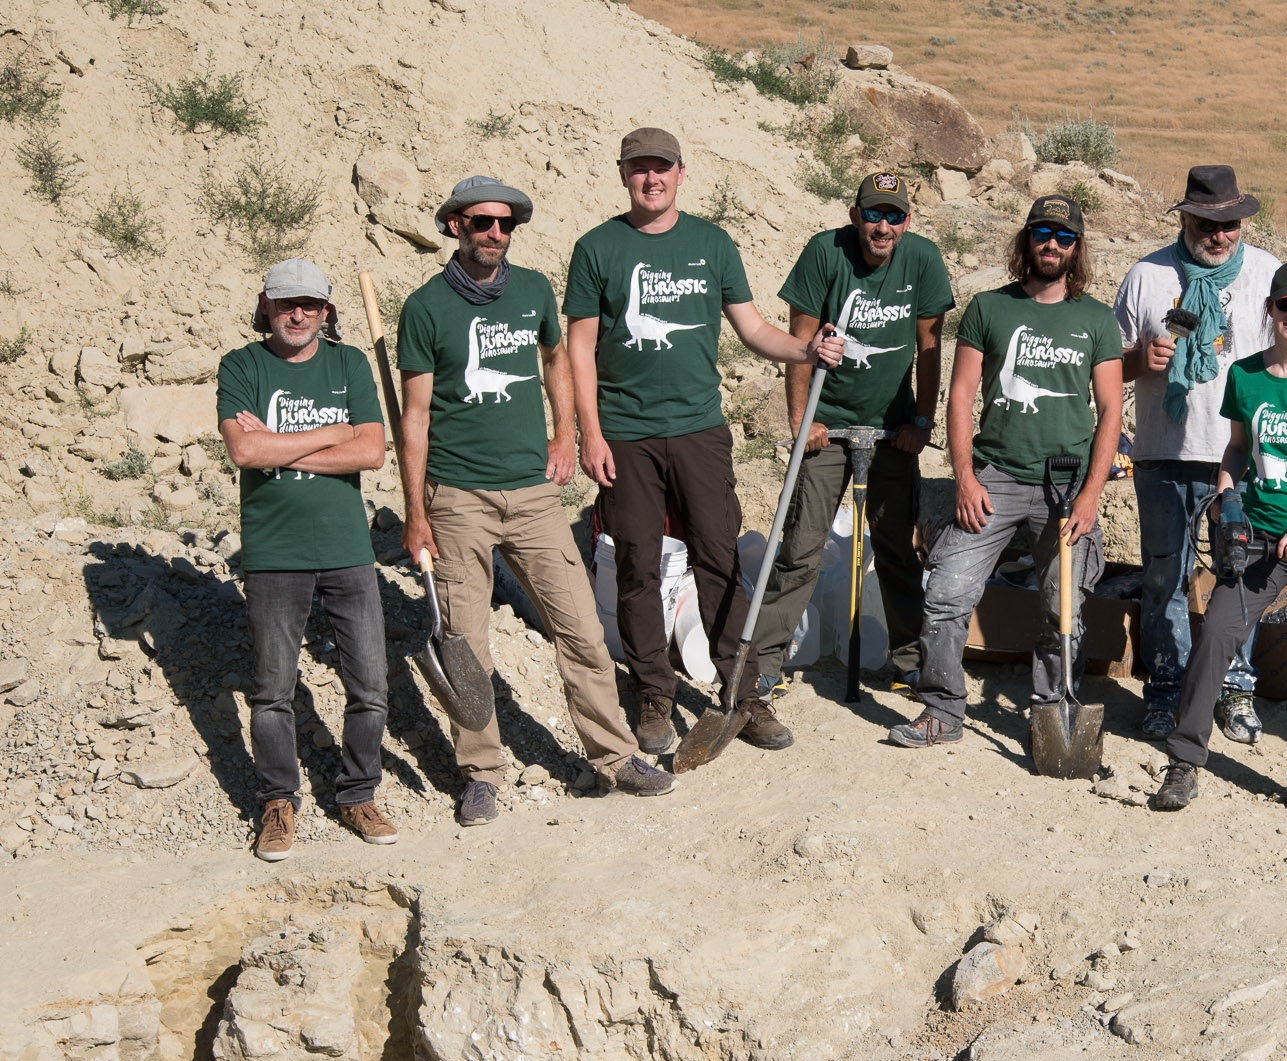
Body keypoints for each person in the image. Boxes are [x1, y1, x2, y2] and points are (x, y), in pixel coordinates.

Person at [397, 174, 675, 825]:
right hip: (456, 496)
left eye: (505, 223)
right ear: (455, 226)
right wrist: (415, 513)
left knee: (579, 623)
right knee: (466, 642)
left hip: (532, 491)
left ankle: (613, 755)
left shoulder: (532, 291)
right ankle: (481, 771)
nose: (494, 233)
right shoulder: (424, 307)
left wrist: (565, 432)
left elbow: (557, 358)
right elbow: (413, 418)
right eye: (481, 222)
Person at [564, 128, 843, 755]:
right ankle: (655, 696)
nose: (651, 179)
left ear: (681, 174)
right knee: (636, 563)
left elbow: (751, 328)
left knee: (718, 556)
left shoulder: (712, 244)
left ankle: (742, 694)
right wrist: (591, 432)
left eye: (661, 168)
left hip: (700, 431)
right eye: (639, 169)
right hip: (627, 434)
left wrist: (807, 349)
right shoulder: (597, 248)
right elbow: (579, 346)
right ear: (623, 175)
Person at [888, 195, 1123, 749]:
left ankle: (1049, 711)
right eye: (1042, 232)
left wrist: (1092, 493)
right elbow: (962, 394)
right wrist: (965, 476)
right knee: (946, 592)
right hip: (993, 477)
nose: (1052, 244)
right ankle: (941, 711)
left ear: (1076, 248)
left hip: (1065, 488)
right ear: (1027, 240)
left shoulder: (1094, 318)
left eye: (1064, 236)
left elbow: (1111, 409)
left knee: (1062, 604)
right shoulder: (989, 308)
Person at [1149, 262, 1287, 815]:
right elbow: (1237, 449)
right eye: (1284, 304)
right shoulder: (1245, 375)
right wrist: (1228, 499)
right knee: (1215, 638)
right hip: (1259, 537)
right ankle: (1184, 762)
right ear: (1269, 309)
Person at [745, 171, 953, 747]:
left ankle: (910, 660)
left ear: (906, 221)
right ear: (855, 215)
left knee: (895, 547)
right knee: (802, 546)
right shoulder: (825, 252)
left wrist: (922, 421)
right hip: (828, 421)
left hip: (893, 429)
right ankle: (762, 666)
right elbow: (800, 337)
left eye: (894, 216)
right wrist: (800, 421)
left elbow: (930, 346)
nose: (882, 226)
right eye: (873, 214)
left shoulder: (922, 260)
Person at [217, 259, 393, 861]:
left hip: (348, 551)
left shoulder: (349, 364)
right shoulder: (242, 365)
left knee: (369, 684)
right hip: (274, 554)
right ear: (266, 305)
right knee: (271, 691)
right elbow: (244, 449)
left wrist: (279, 446)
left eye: (311, 305)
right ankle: (277, 802)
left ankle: (358, 793)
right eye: (287, 303)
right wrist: (332, 433)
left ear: (326, 311)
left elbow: (372, 453)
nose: (299, 314)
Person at [1115, 165, 1279, 742]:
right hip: (1164, 451)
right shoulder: (1147, 276)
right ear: (1185, 217)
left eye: (1230, 224)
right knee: (1164, 578)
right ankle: (1166, 689)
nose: (1220, 235)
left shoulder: (1268, 276)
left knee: (1242, 577)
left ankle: (1234, 689)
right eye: (1208, 222)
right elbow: (1108, 371)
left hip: (1243, 457)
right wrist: (1142, 362)